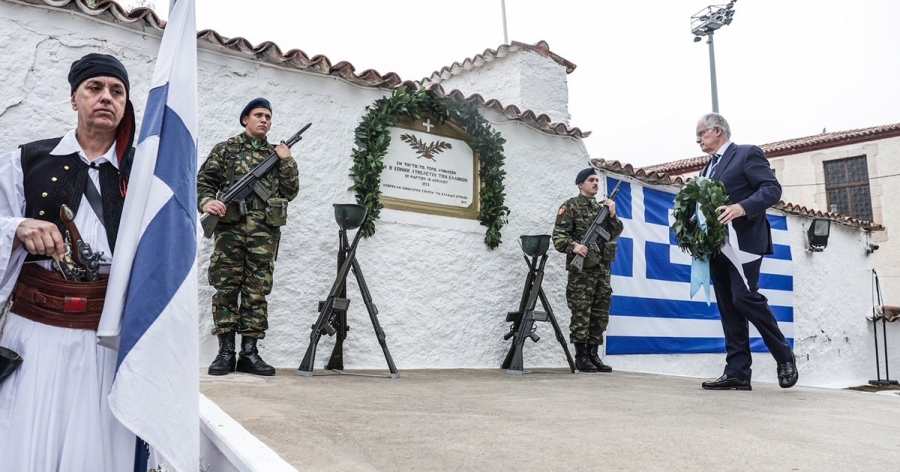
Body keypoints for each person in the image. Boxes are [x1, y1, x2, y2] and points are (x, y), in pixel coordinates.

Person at [0, 53, 136, 471]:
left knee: (97, 445)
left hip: (108, 334)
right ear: (73, 98)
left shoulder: (143, 170)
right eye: (95, 88)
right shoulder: (26, 160)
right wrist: (17, 227)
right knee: (27, 436)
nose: (106, 98)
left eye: (117, 91)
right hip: (34, 331)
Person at [695, 112, 798, 390]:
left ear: (717, 130)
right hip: (716, 246)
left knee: (744, 298)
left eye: (701, 134)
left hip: (744, 243)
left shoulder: (746, 154)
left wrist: (742, 208)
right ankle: (738, 372)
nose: (698, 140)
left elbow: (771, 189)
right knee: (728, 308)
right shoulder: (706, 170)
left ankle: (784, 354)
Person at [198, 98, 299, 376]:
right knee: (226, 288)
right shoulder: (226, 150)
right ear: (246, 119)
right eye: (258, 115)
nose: (264, 120)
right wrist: (207, 202)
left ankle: (250, 354)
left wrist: (287, 160)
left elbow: (290, 192)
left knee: (257, 291)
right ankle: (225, 353)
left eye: (268, 116)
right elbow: (204, 181)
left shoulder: (277, 156)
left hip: (264, 234)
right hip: (229, 230)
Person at [553, 168, 623, 373]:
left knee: (600, 313)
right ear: (580, 185)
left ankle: (593, 354)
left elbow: (614, 232)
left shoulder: (602, 208)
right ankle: (581, 355)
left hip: (602, 269)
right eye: (590, 180)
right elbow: (558, 237)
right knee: (581, 311)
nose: (595, 183)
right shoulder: (570, 206)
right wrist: (574, 246)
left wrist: (612, 213)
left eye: (596, 180)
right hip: (582, 273)